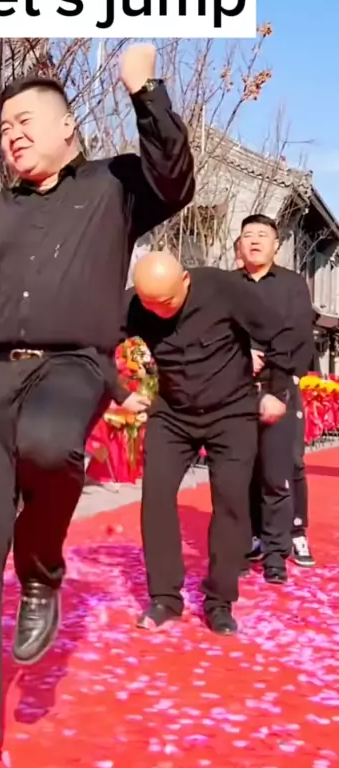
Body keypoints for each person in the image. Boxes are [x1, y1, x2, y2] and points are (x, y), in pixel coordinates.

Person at [0, 44, 195, 768]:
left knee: (48, 444)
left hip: (73, 366)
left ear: (68, 128)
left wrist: (146, 90)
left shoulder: (114, 185)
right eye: (4, 126)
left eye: (26, 121)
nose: (11, 134)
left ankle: (41, 571)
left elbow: (175, 175)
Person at [116, 251, 294, 636]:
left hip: (231, 411)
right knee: (156, 496)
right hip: (172, 412)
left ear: (185, 281)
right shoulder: (136, 303)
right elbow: (93, 345)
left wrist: (277, 391)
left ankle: (219, 601)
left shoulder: (222, 287)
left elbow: (281, 334)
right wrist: (119, 393)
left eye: (166, 302)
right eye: (150, 305)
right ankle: (165, 598)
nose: (159, 312)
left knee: (230, 501)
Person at [235, 214, 315, 581]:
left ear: (276, 245)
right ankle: (254, 536)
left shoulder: (292, 284)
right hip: (237, 387)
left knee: (285, 466)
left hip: (280, 384)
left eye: (262, 235)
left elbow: (298, 333)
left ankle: (289, 537)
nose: (254, 241)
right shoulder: (227, 284)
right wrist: (241, 356)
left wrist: (274, 366)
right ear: (240, 243)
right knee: (246, 466)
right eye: (248, 235)